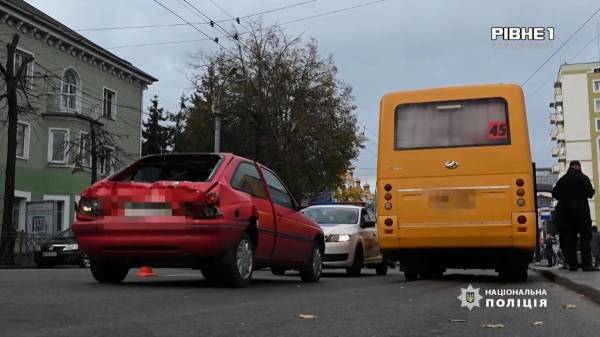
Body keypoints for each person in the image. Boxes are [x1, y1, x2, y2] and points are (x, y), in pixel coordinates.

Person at [552, 160, 598, 271]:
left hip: (565, 215)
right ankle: (587, 265)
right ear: (578, 167)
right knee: (585, 239)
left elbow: (555, 194)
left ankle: (573, 265)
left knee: (569, 240)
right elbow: (590, 193)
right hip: (581, 213)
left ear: (569, 167)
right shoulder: (583, 178)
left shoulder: (562, 180)